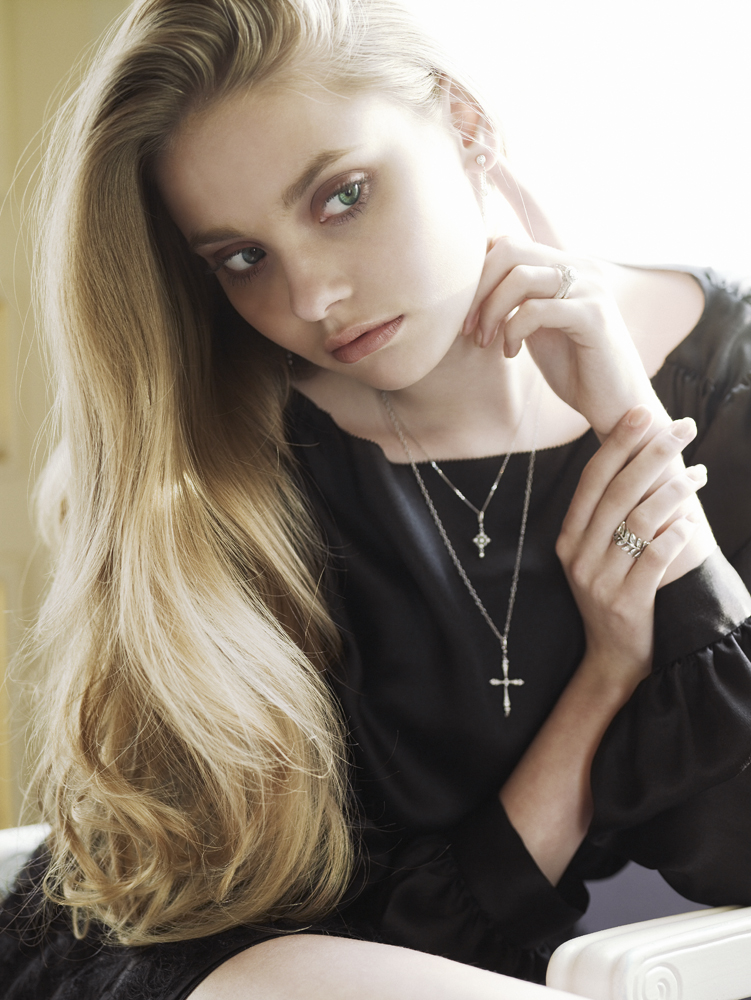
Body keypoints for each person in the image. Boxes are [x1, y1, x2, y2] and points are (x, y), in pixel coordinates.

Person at [1, 0, 750, 997]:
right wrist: (603, 679)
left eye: (342, 196)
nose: (309, 297)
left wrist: (635, 437)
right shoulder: (222, 458)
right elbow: (350, 934)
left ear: (465, 122)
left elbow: (733, 855)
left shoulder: (728, 385)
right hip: (215, 965)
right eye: (241, 258)